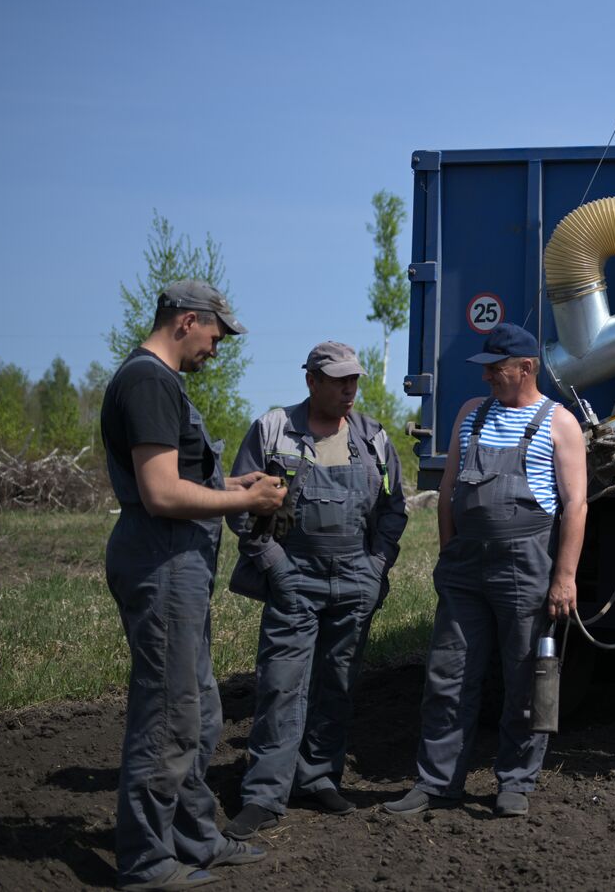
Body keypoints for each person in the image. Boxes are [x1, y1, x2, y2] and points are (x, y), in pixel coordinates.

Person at [101, 279, 287, 891]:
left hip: (178, 562)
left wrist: (238, 489)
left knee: (201, 710)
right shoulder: (149, 381)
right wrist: (242, 497)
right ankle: (148, 862)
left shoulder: (162, 382)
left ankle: (195, 838)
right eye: (215, 334)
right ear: (186, 320)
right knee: (168, 716)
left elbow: (179, 480)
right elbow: (159, 492)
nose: (218, 346)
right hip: (161, 563)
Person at [385, 322, 586, 818]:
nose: (490, 377)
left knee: (525, 677)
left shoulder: (559, 422)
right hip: (465, 566)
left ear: (527, 369)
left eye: (498, 369)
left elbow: (576, 504)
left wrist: (564, 576)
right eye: (488, 368)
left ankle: (516, 781)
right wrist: (449, 552)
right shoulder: (471, 415)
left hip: (525, 564)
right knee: (448, 675)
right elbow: (450, 490)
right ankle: (436, 783)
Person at [221, 342, 409, 839]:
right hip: (293, 575)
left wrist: (375, 567)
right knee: (282, 684)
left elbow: (394, 510)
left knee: (338, 684)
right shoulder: (274, 429)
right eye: (339, 380)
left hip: (355, 576)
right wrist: (274, 566)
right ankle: (264, 794)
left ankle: (319, 777)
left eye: (355, 380)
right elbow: (238, 505)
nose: (350, 389)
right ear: (312, 381)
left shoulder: (373, 438)